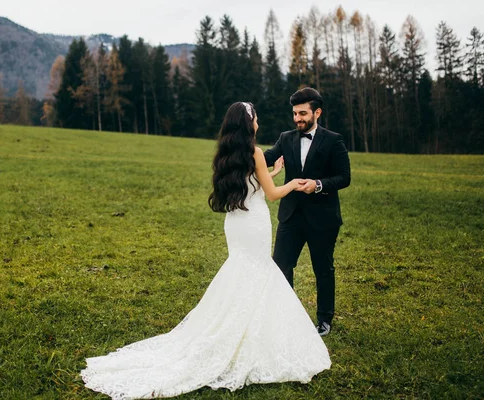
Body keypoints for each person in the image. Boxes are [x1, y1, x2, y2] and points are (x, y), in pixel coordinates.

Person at [81, 102, 331, 399]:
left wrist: (271, 172)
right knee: (257, 270)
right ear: (248, 123)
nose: (259, 122)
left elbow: (252, 186)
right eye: (256, 118)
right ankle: (247, 334)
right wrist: (290, 182)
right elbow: (272, 195)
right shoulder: (254, 152)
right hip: (255, 223)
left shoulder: (229, 153)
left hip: (237, 222)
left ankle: (234, 326)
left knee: (241, 270)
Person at [263, 87, 351, 337]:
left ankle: (324, 320)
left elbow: (344, 177)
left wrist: (318, 185)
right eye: (294, 113)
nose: (297, 119)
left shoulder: (334, 140)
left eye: (302, 113)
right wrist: (243, 152)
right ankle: (287, 315)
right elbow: (267, 158)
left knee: (323, 269)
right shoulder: (285, 137)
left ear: (317, 112)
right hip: (290, 215)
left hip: (322, 218)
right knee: (281, 265)